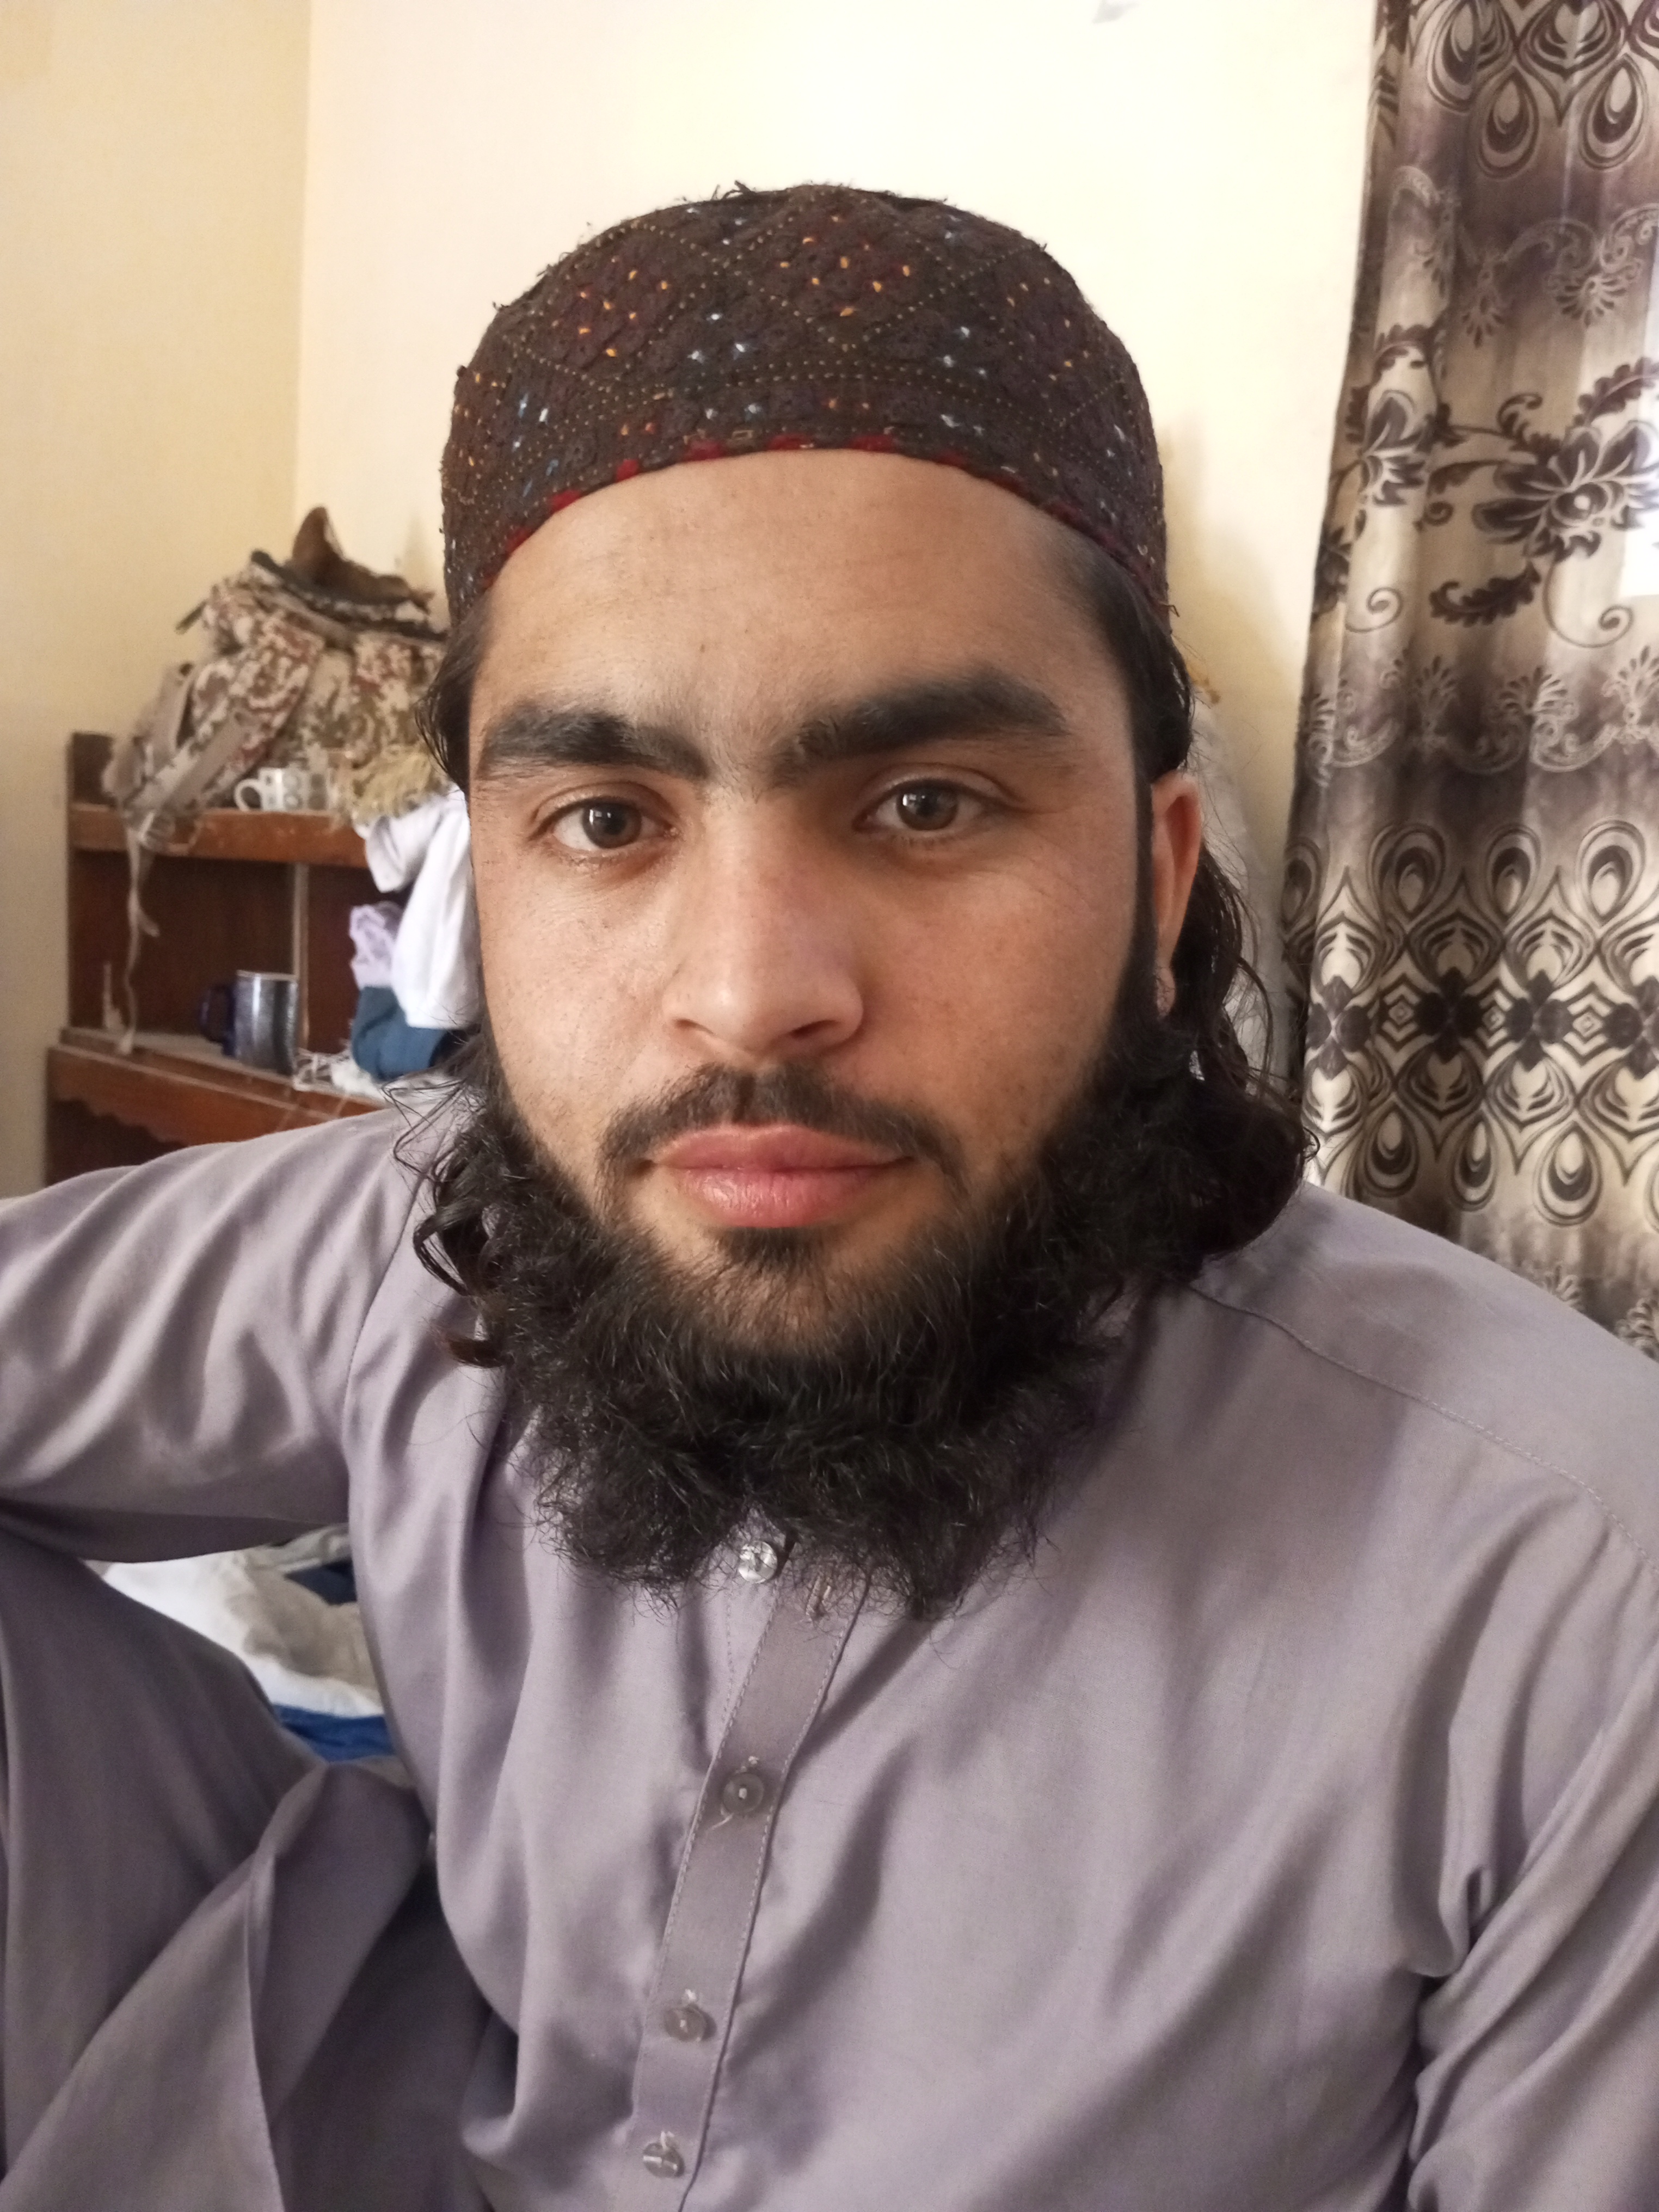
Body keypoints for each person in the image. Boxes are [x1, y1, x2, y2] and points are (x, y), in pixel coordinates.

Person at [4, 183, 1659, 2212]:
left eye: (926, 804)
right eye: (604, 818)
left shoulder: (1571, 1588)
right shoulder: (423, 1237)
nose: (748, 992)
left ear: (1156, 888)